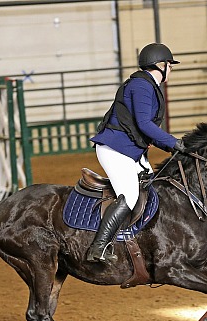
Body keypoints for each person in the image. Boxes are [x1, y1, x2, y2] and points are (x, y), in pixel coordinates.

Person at [86, 42, 186, 264]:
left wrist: (170, 144)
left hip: (131, 150)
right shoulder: (141, 86)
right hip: (115, 149)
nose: (171, 70)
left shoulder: (149, 85)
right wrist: (173, 143)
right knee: (130, 196)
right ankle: (99, 247)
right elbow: (144, 123)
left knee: (152, 186)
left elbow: (143, 128)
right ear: (161, 65)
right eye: (170, 65)